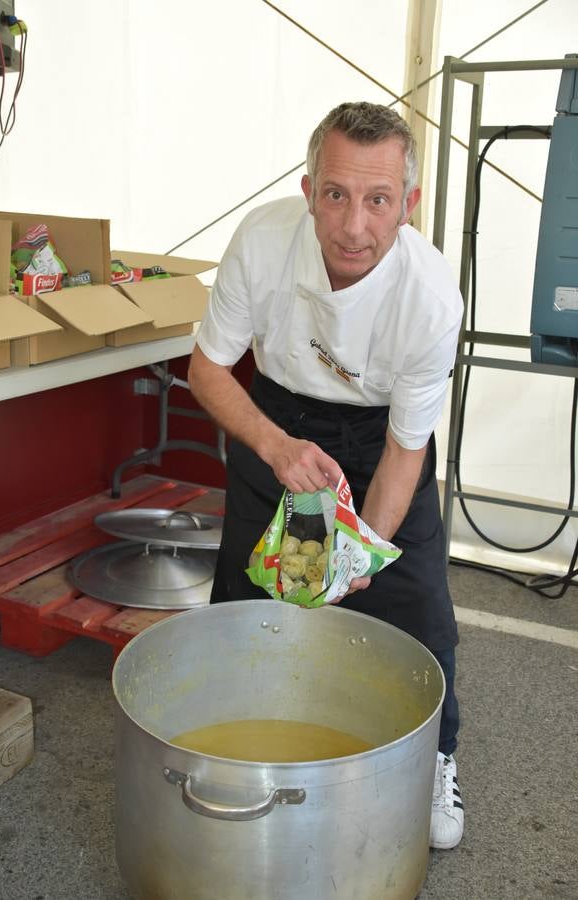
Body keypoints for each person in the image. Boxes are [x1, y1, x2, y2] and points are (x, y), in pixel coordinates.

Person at [188, 101, 464, 850]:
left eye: (378, 200)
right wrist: (275, 448)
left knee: (416, 607)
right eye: (336, 195)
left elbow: (409, 447)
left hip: (381, 435)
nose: (353, 227)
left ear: (408, 205)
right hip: (276, 419)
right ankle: (235, 747)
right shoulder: (263, 239)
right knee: (246, 594)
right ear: (309, 190)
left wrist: (362, 545)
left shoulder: (431, 296)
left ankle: (438, 759)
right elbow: (208, 370)